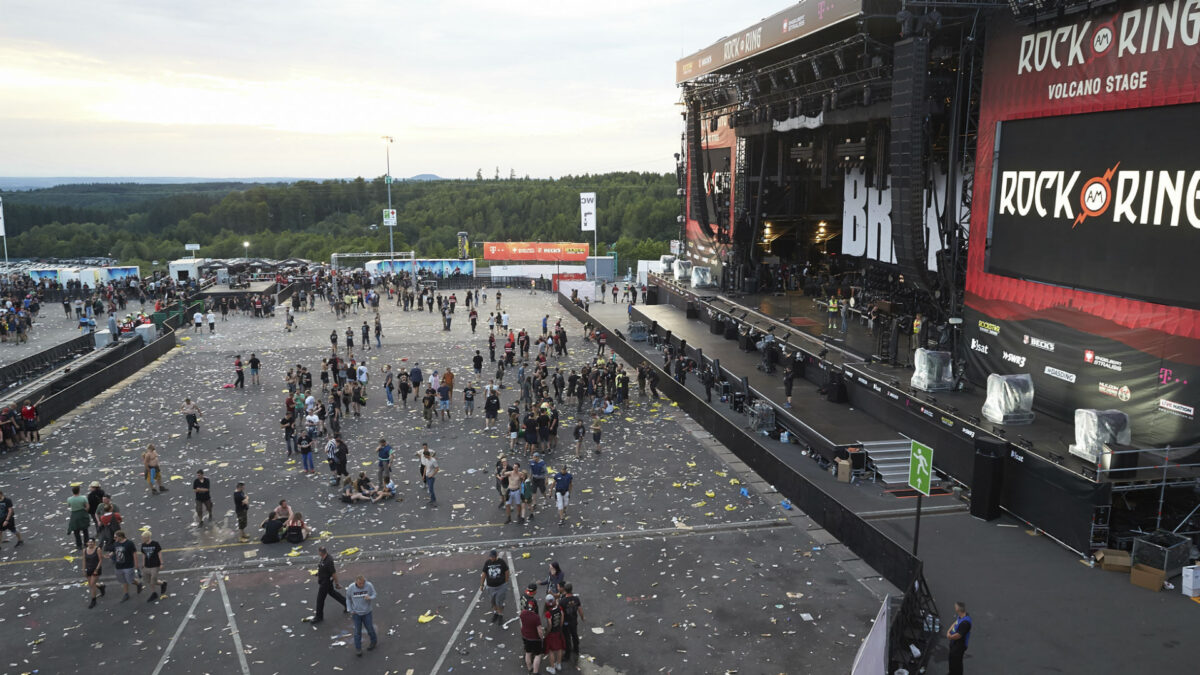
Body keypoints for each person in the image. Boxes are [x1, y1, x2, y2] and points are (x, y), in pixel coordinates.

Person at [312, 546, 346, 624]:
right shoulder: (324, 558)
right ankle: (347, 604)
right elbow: (322, 568)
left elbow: (333, 573)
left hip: (325, 583)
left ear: (321, 552)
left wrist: (337, 583)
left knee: (320, 600)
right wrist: (318, 573)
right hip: (324, 581)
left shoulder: (329, 561)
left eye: (319, 552)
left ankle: (319, 616)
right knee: (333, 593)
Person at [347, 575, 378, 656]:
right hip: (356, 613)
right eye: (360, 583)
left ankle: (373, 641)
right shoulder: (351, 588)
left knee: (370, 628)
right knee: (357, 631)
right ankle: (358, 648)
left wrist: (370, 597)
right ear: (356, 582)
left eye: (363, 583)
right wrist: (350, 610)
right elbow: (348, 599)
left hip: (367, 612)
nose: (362, 585)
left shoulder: (369, 585)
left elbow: (375, 594)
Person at [109, 530, 142, 602]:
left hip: (128, 565)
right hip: (119, 566)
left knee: (129, 579)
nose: (114, 538)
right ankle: (126, 594)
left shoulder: (129, 543)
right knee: (124, 580)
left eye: (115, 537)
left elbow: (134, 554)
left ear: (120, 537)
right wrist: (111, 553)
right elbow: (115, 550)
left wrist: (136, 566)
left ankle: (138, 583)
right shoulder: (116, 543)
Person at [480, 548, 510, 624]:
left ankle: (500, 615)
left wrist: (506, 582)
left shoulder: (501, 562)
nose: (491, 558)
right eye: (490, 557)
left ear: (496, 556)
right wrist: (482, 584)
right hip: (490, 587)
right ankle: (495, 613)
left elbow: (506, 572)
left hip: (500, 586)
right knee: (493, 602)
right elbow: (484, 574)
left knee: (499, 601)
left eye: (493, 557)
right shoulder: (487, 563)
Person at [138, 531, 167, 602]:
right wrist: (143, 564)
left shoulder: (155, 544)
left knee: (153, 580)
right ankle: (162, 583)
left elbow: (159, 553)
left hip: (155, 565)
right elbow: (144, 555)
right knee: (148, 580)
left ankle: (153, 593)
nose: (142, 539)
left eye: (144, 538)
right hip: (147, 566)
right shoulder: (143, 545)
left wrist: (161, 563)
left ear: (148, 537)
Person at [542, 593, 566, 674]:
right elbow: (562, 620)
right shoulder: (560, 608)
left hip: (552, 633)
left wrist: (546, 633)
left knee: (551, 650)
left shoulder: (548, 613)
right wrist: (560, 627)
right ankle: (558, 664)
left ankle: (552, 668)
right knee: (559, 648)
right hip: (559, 631)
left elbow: (550, 625)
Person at [520, 595, 544, 674]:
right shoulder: (536, 617)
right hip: (534, 638)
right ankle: (535, 672)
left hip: (525, 636)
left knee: (528, 652)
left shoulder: (522, 613)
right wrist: (542, 638)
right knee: (538, 654)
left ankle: (530, 668)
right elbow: (539, 631)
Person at [560, 583, 584, 662]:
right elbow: (580, 609)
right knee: (574, 635)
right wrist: (582, 617)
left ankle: (567, 655)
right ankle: (576, 650)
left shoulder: (562, 601)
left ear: (564, 590)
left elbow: (562, 614)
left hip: (566, 623)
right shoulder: (576, 599)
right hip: (574, 621)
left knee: (567, 638)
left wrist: (561, 623)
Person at [946, 601, 972, 675]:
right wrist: (949, 631)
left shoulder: (965, 623)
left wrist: (950, 636)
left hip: (959, 646)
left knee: (957, 663)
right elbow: (955, 623)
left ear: (958, 610)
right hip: (954, 644)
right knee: (952, 660)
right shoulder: (962, 616)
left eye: (956, 607)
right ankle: (951, 673)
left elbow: (959, 635)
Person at [83, 537, 106, 608]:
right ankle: (101, 586)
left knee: (92, 584)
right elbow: (84, 560)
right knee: (91, 584)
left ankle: (93, 600)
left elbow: (100, 560)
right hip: (88, 569)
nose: (90, 543)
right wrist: (83, 569)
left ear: (94, 543)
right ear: (87, 543)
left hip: (96, 569)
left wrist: (96, 569)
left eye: (92, 542)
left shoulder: (97, 549)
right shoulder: (84, 550)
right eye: (89, 542)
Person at [68, 485, 90, 549]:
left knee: (76, 531)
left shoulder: (69, 499)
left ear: (72, 492)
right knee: (85, 530)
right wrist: (85, 511)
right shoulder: (83, 498)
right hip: (82, 514)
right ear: (79, 491)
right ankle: (86, 543)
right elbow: (87, 506)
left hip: (74, 515)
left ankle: (79, 545)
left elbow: (69, 505)